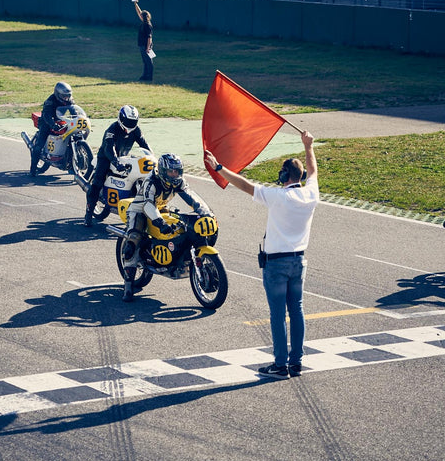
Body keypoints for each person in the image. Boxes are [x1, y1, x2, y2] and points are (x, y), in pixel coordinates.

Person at [204, 130, 318, 380]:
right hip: (299, 260)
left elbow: (245, 185)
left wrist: (219, 167)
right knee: (296, 310)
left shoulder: (277, 196)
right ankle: (296, 362)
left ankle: (280, 364)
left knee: (278, 314)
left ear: (286, 176)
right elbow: (313, 172)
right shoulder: (311, 194)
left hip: (276, 264)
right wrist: (308, 146)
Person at [122, 153, 211, 302]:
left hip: (161, 208)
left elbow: (190, 195)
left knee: (183, 227)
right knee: (134, 239)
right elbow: (148, 205)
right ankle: (128, 285)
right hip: (140, 210)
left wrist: (203, 210)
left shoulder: (178, 182)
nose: (174, 174)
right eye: (171, 171)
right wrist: (160, 223)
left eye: (177, 171)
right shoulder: (151, 181)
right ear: (162, 171)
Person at [84, 105, 152, 227]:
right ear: (121, 118)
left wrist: (152, 158)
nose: (130, 124)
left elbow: (144, 143)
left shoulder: (136, 130)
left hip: (123, 157)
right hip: (106, 157)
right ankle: (89, 212)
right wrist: (115, 162)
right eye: (128, 121)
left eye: (133, 121)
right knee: (98, 182)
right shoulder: (112, 130)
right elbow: (109, 148)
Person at [30, 81, 74, 176]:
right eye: (63, 96)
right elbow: (46, 115)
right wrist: (52, 124)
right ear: (57, 94)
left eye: (68, 95)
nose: (66, 98)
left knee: (71, 137)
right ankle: (32, 169)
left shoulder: (69, 100)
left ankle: (72, 164)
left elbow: (74, 111)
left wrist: (78, 119)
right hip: (46, 121)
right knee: (39, 145)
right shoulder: (50, 101)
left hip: (60, 120)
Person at [133, 0, 153, 82]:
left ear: (144, 17)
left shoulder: (147, 25)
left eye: (141, 15)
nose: (139, 15)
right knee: (145, 62)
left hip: (146, 46)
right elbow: (139, 12)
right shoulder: (144, 23)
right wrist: (135, 4)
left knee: (149, 62)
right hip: (142, 45)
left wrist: (148, 48)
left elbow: (149, 37)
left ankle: (149, 77)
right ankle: (145, 76)